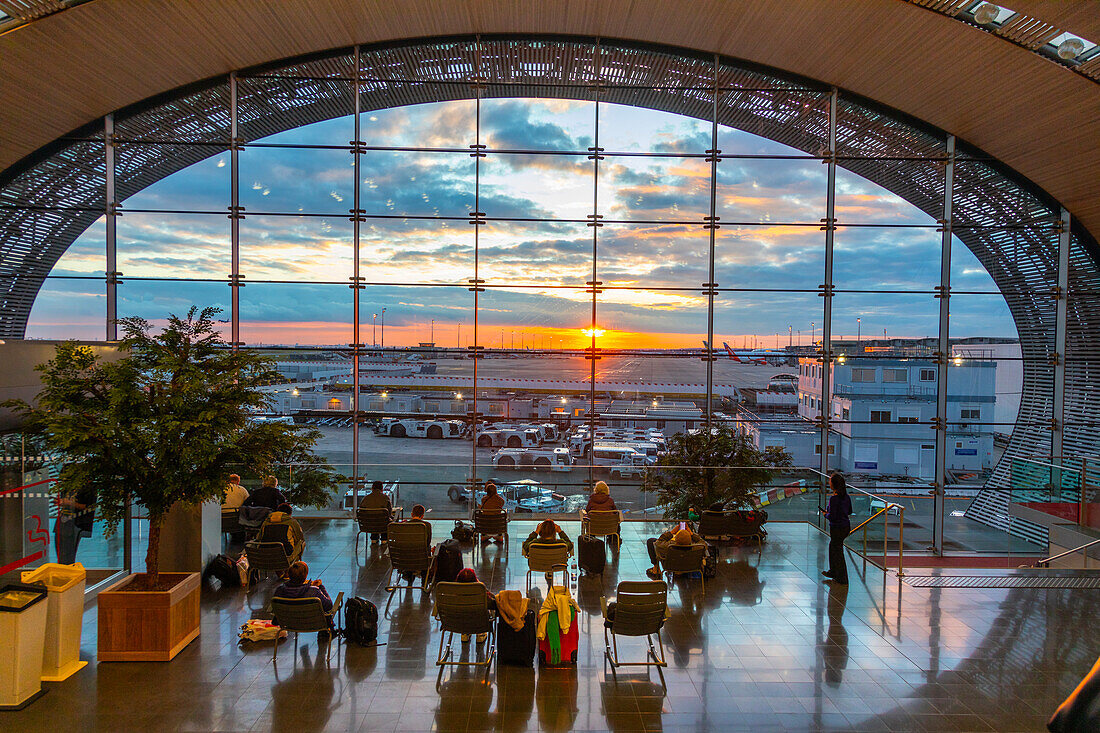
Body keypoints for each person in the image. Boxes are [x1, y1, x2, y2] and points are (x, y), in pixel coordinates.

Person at [274, 561, 334, 629]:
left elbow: (274, 609)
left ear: (289, 575)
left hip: (287, 624)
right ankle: (326, 633)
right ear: (305, 576)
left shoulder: (280, 591)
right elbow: (329, 606)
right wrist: (320, 587)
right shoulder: (314, 592)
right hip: (313, 623)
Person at [821, 472, 853, 585]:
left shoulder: (834, 499)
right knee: (834, 548)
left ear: (833, 485)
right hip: (845, 527)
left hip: (837, 528)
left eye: (830, 481)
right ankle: (833, 571)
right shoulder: (846, 497)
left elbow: (832, 517)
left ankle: (841, 577)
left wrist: (825, 514)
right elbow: (849, 511)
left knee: (837, 551)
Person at [55, 485, 96, 565]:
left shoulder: (88, 488)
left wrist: (70, 503)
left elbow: (89, 507)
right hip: (63, 521)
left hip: (75, 523)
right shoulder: (66, 486)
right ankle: (63, 570)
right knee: (61, 554)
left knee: (68, 554)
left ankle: (67, 570)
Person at [454, 567, 495, 642]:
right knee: (482, 609)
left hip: (458, 622)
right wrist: (481, 586)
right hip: (479, 622)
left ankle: (465, 633)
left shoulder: (451, 593)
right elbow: (492, 603)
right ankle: (480, 634)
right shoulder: (480, 591)